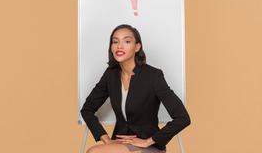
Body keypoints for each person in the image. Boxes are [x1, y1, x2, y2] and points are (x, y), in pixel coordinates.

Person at [81, 24, 190, 153]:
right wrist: (106, 139)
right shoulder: (111, 74)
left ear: (137, 47)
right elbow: (87, 109)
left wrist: (148, 141)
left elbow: (183, 118)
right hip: (119, 144)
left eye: (127, 41)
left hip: (148, 146)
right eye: (115, 42)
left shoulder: (153, 76)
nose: (119, 46)